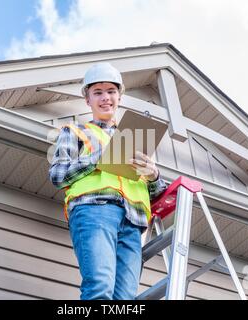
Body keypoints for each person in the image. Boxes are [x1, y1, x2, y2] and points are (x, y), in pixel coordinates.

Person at [49, 62, 167, 300]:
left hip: (132, 222)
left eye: (111, 91)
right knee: (100, 289)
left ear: (119, 97)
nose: (106, 98)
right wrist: (98, 158)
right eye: (98, 92)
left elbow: (157, 195)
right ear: (88, 100)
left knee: (124, 299)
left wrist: (154, 174)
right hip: (95, 212)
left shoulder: (137, 139)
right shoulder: (74, 132)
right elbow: (58, 176)